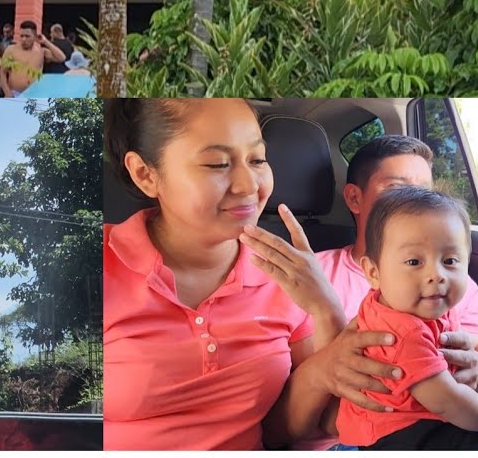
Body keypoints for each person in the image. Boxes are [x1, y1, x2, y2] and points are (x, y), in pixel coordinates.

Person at [104, 99, 351, 450]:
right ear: (146, 174)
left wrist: (327, 309)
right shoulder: (95, 265)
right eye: (217, 163)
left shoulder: (286, 275)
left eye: (258, 159)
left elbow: (300, 428)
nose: (248, 185)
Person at [333, 187, 478, 450]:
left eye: (450, 260)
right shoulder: (402, 333)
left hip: (420, 417)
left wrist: (474, 342)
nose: (436, 274)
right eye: (413, 262)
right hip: (398, 434)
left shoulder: (406, 304)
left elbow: (441, 337)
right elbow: (446, 400)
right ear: (373, 272)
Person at [0, 20, 67, 97]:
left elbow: (62, 58)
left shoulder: (41, 51)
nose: (24, 39)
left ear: (34, 37)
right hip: (15, 93)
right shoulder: (11, 50)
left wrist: (45, 42)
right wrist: (7, 92)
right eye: (21, 36)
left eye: (27, 36)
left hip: (35, 95)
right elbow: (2, 73)